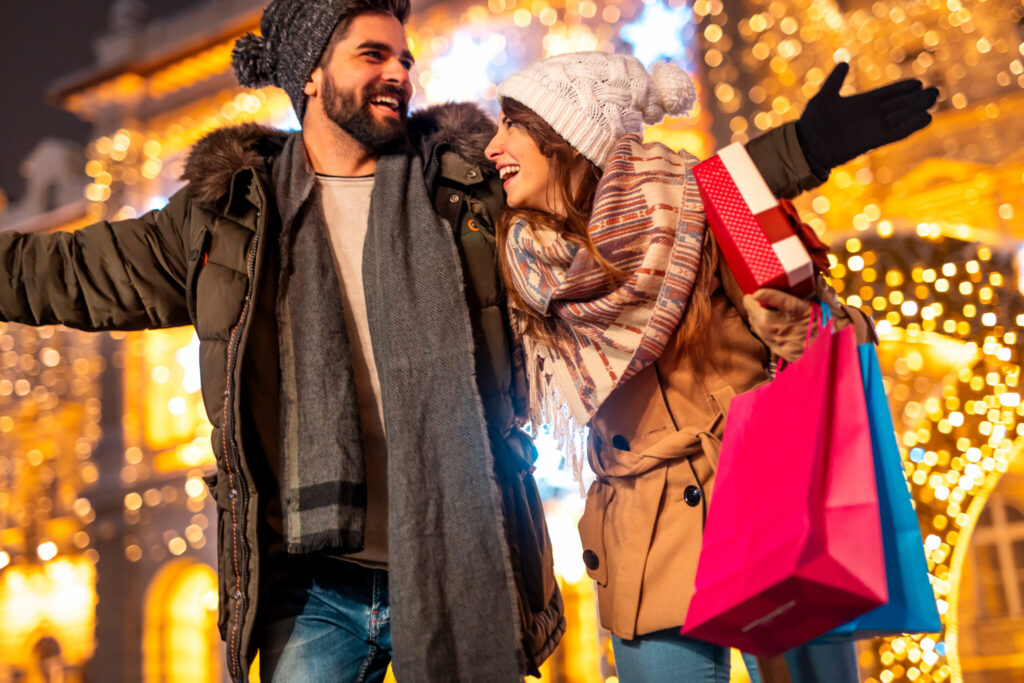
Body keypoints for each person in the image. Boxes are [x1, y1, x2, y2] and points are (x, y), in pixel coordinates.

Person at [0, 0, 564, 680]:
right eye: (373, 56)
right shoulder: (232, 215)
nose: (399, 74)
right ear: (312, 75)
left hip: (456, 552)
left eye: (404, 58)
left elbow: (595, 215)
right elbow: (74, 271)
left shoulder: (461, 190)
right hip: (309, 583)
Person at [484, 52, 938, 682]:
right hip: (644, 542)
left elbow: (841, 329)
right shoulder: (524, 261)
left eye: (510, 122)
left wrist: (803, 331)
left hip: (772, 509)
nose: (492, 145)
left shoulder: (708, 201)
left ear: (564, 134)